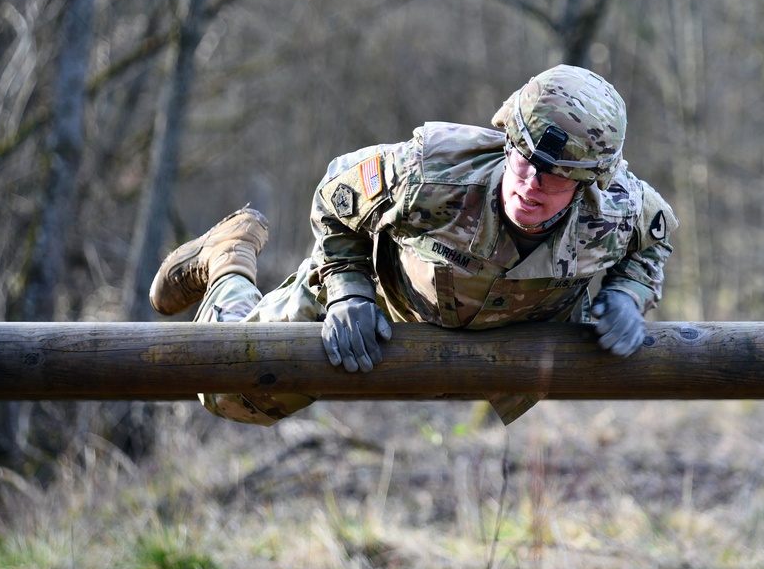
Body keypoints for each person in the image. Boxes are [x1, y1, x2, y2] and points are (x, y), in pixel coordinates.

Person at [149, 64, 677, 426]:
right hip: (381, 298)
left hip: (501, 332)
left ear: (589, 182)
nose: (531, 183)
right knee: (233, 395)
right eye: (525, 159)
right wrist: (347, 291)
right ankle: (228, 259)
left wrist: (631, 294)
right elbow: (335, 196)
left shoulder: (620, 209)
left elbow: (655, 241)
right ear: (509, 141)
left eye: (556, 175)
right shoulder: (431, 172)